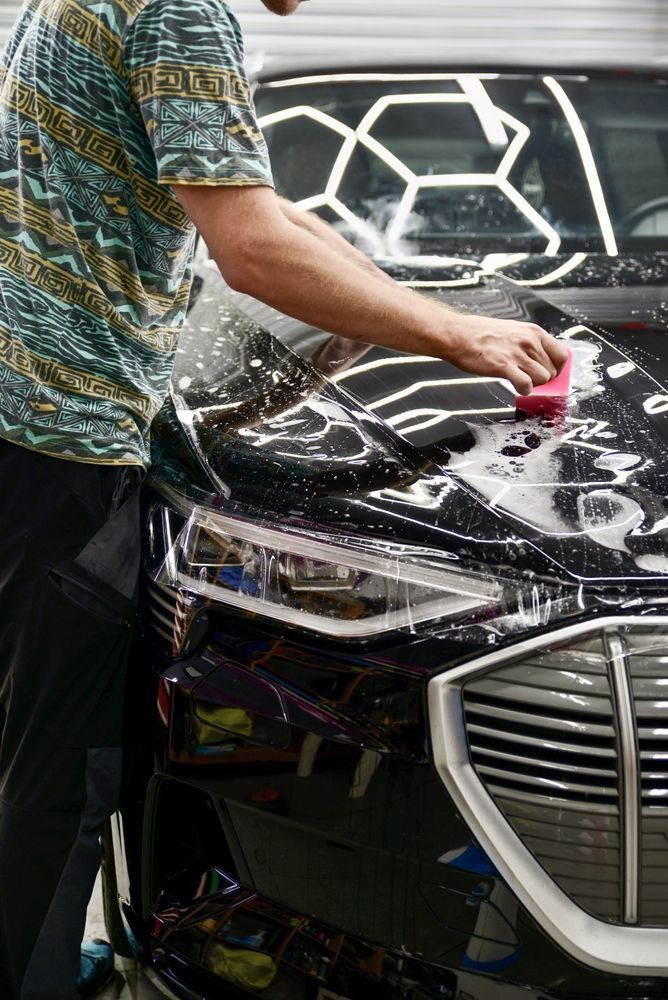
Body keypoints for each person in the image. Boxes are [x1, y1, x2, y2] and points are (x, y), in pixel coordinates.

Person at [0, 0, 568, 995]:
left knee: (23, 733)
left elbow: (269, 210)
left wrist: (422, 303)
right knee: (63, 766)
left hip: (21, 414)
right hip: (62, 432)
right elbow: (251, 246)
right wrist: (453, 338)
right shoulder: (182, 10)